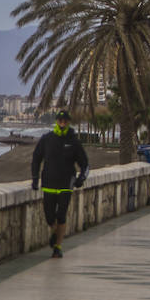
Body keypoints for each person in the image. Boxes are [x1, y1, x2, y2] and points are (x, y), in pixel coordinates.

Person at [31, 110, 89, 258]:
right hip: (49, 183)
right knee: (49, 216)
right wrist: (35, 178)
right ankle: (54, 233)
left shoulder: (74, 141)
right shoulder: (47, 139)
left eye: (65, 120)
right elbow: (36, 158)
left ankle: (57, 246)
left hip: (66, 184)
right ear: (57, 121)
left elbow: (85, 164)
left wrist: (81, 177)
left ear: (68, 122)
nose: (62, 123)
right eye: (60, 120)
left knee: (61, 215)